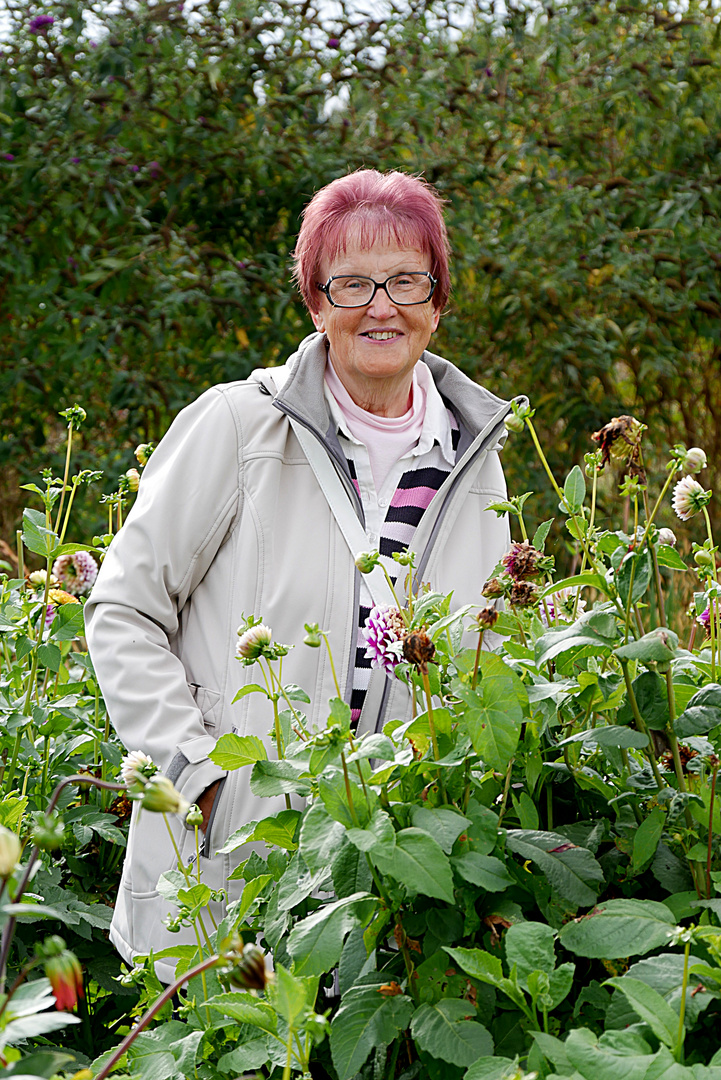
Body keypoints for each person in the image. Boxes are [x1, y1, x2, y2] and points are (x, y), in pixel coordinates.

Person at [85, 169, 526, 980]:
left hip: (398, 876)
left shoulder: (479, 458)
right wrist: (200, 777)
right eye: (351, 283)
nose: (380, 306)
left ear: (438, 299)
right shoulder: (238, 428)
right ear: (315, 303)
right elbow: (123, 609)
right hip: (234, 861)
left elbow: (488, 659)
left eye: (404, 279)